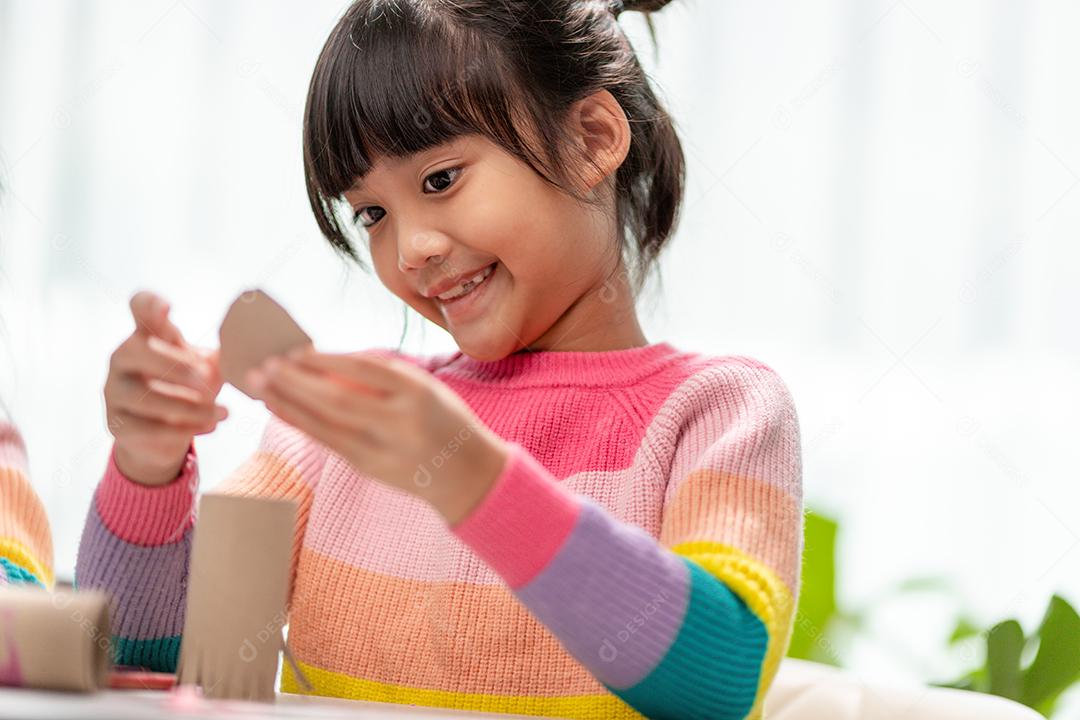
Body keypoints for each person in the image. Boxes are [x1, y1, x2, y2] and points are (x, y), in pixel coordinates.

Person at [76, 1, 804, 718]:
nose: (409, 249)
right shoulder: (338, 430)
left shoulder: (718, 411)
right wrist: (148, 468)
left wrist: (469, 477)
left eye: (440, 180)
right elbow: (153, 661)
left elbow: (720, 679)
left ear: (591, 138)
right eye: (371, 214)